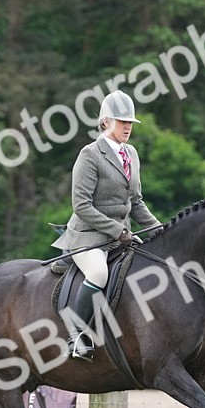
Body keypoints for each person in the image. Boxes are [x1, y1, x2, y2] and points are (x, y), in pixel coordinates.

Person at [53, 89, 161, 361]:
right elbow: (82, 206)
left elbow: (136, 201)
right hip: (88, 236)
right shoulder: (90, 155)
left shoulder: (131, 154)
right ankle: (77, 336)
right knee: (99, 273)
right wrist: (119, 231)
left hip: (120, 236)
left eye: (130, 123)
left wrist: (161, 230)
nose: (127, 127)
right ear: (105, 122)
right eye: (121, 121)